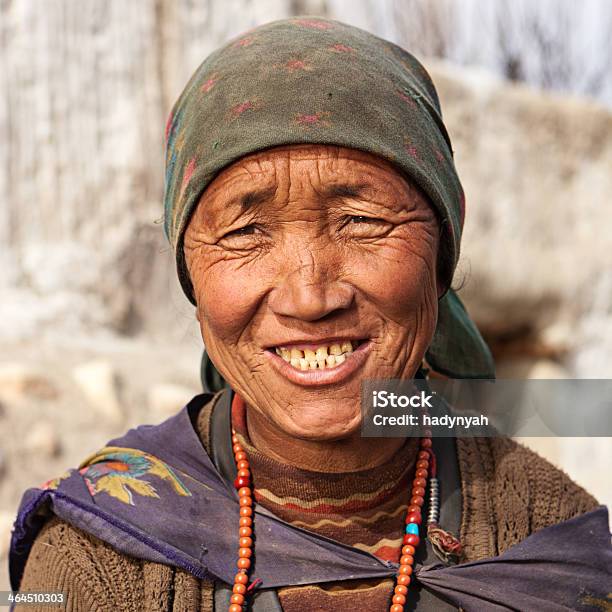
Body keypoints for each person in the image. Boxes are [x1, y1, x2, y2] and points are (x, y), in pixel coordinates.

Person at [9, 17, 610, 612]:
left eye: (363, 221)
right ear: (192, 275)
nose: (309, 297)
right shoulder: (90, 557)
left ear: (441, 253)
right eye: (246, 232)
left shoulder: (559, 544)